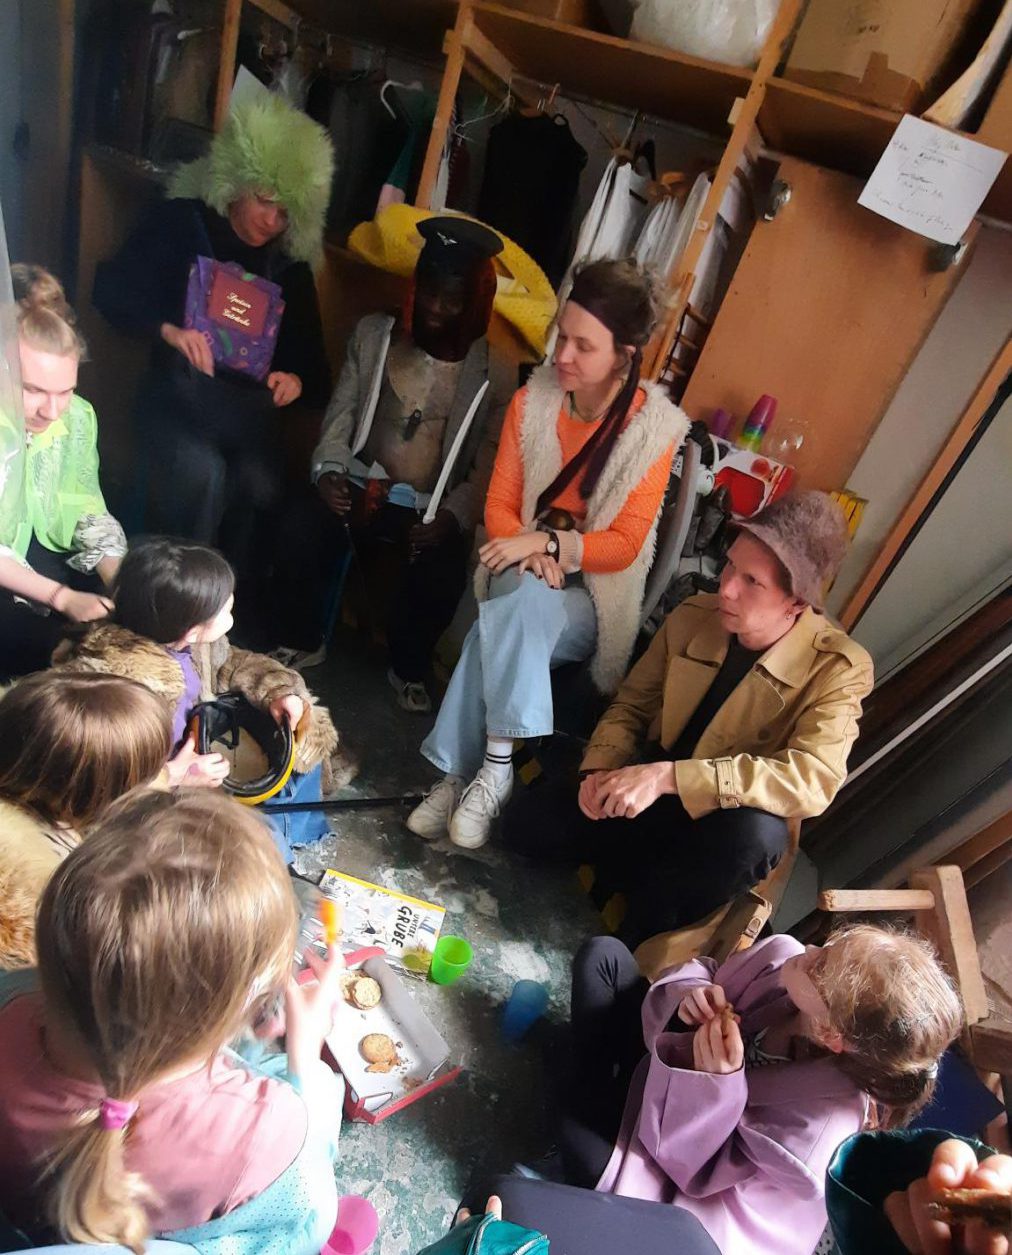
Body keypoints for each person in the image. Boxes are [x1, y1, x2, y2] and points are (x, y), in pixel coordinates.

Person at [504, 489, 874, 946]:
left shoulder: (839, 668)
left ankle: (651, 922)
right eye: (731, 566)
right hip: (646, 795)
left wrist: (670, 777)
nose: (727, 587)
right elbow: (631, 706)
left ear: (796, 603)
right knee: (524, 826)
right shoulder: (694, 614)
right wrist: (599, 770)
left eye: (752, 581)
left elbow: (811, 779)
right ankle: (630, 875)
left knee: (757, 835)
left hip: (713, 833)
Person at [407, 258, 688, 850]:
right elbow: (499, 506)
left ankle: (459, 775)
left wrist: (547, 542)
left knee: (502, 622)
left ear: (624, 355)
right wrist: (528, 551)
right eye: (563, 335)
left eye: (584, 346)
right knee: (522, 599)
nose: (563, 355)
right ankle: (494, 771)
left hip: (592, 599)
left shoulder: (654, 431)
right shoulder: (532, 402)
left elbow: (624, 545)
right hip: (518, 570)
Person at [0, 789, 346, 1253]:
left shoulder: (11, 998)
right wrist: (305, 1061)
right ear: (241, 1006)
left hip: (27, 1228)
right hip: (162, 1235)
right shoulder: (266, 1127)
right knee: (322, 1104)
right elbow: (310, 1215)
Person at [560, 924, 963, 1255]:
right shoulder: (784, 959)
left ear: (831, 1033)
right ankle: (607, 1081)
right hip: (670, 1075)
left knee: (579, 1135)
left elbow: (692, 1170)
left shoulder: (817, 1128)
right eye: (827, 948)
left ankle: (601, 1086)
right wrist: (689, 999)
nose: (808, 950)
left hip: (685, 1179)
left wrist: (713, 1085)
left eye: (820, 967)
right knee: (604, 956)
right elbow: (708, 972)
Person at [266, 216, 516, 706]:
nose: (436, 310)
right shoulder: (375, 335)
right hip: (360, 486)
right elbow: (341, 414)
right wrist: (329, 471)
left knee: (445, 569)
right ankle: (303, 637)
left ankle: (408, 668)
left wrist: (452, 516)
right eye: (429, 294)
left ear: (474, 305)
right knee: (299, 523)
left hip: (428, 509)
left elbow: (487, 465)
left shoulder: (496, 372)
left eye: (452, 301)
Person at [92, 95, 333, 577]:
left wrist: (295, 381)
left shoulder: (291, 269)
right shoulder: (182, 223)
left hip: (247, 423)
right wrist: (168, 330)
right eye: (264, 200)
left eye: (286, 211)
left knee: (260, 486)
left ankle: (226, 599)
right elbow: (111, 290)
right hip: (174, 406)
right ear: (236, 180)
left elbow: (316, 376)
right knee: (203, 476)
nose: (272, 220)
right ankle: (179, 594)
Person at [52, 536, 356, 860]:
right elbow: (99, 787)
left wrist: (278, 692)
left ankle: (295, 827)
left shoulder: (188, 641)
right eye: (227, 609)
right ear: (192, 629)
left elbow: (233, 661)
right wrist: (174, 777)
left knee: (303, 747)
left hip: (201, 749)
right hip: (155, 802)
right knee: (260, 846)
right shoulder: (116, 695)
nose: (232, 614)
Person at [0, 265, 126, 680]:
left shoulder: (78, 418)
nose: (52, 411)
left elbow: (84, 505)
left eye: (65, 392)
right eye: (33, 390)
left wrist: (121, 582)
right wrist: (61, 597)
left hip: (41, 548)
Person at [0, 671, 172, 970]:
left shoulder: (35, 782)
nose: (157, 779)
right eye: (145, 776)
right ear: (91, 793)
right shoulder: (47, 898)